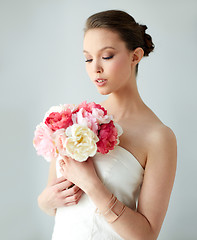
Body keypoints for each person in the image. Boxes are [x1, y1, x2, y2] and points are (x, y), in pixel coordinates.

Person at [38, 10, 177, 240]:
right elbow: (53, 202)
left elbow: (147, 235)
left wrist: (92, 184)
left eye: (107, 56)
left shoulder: (158, 137)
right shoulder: (74, 118)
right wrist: (44, 200)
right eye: (88, 58)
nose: (95, 68)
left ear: (135, 56)